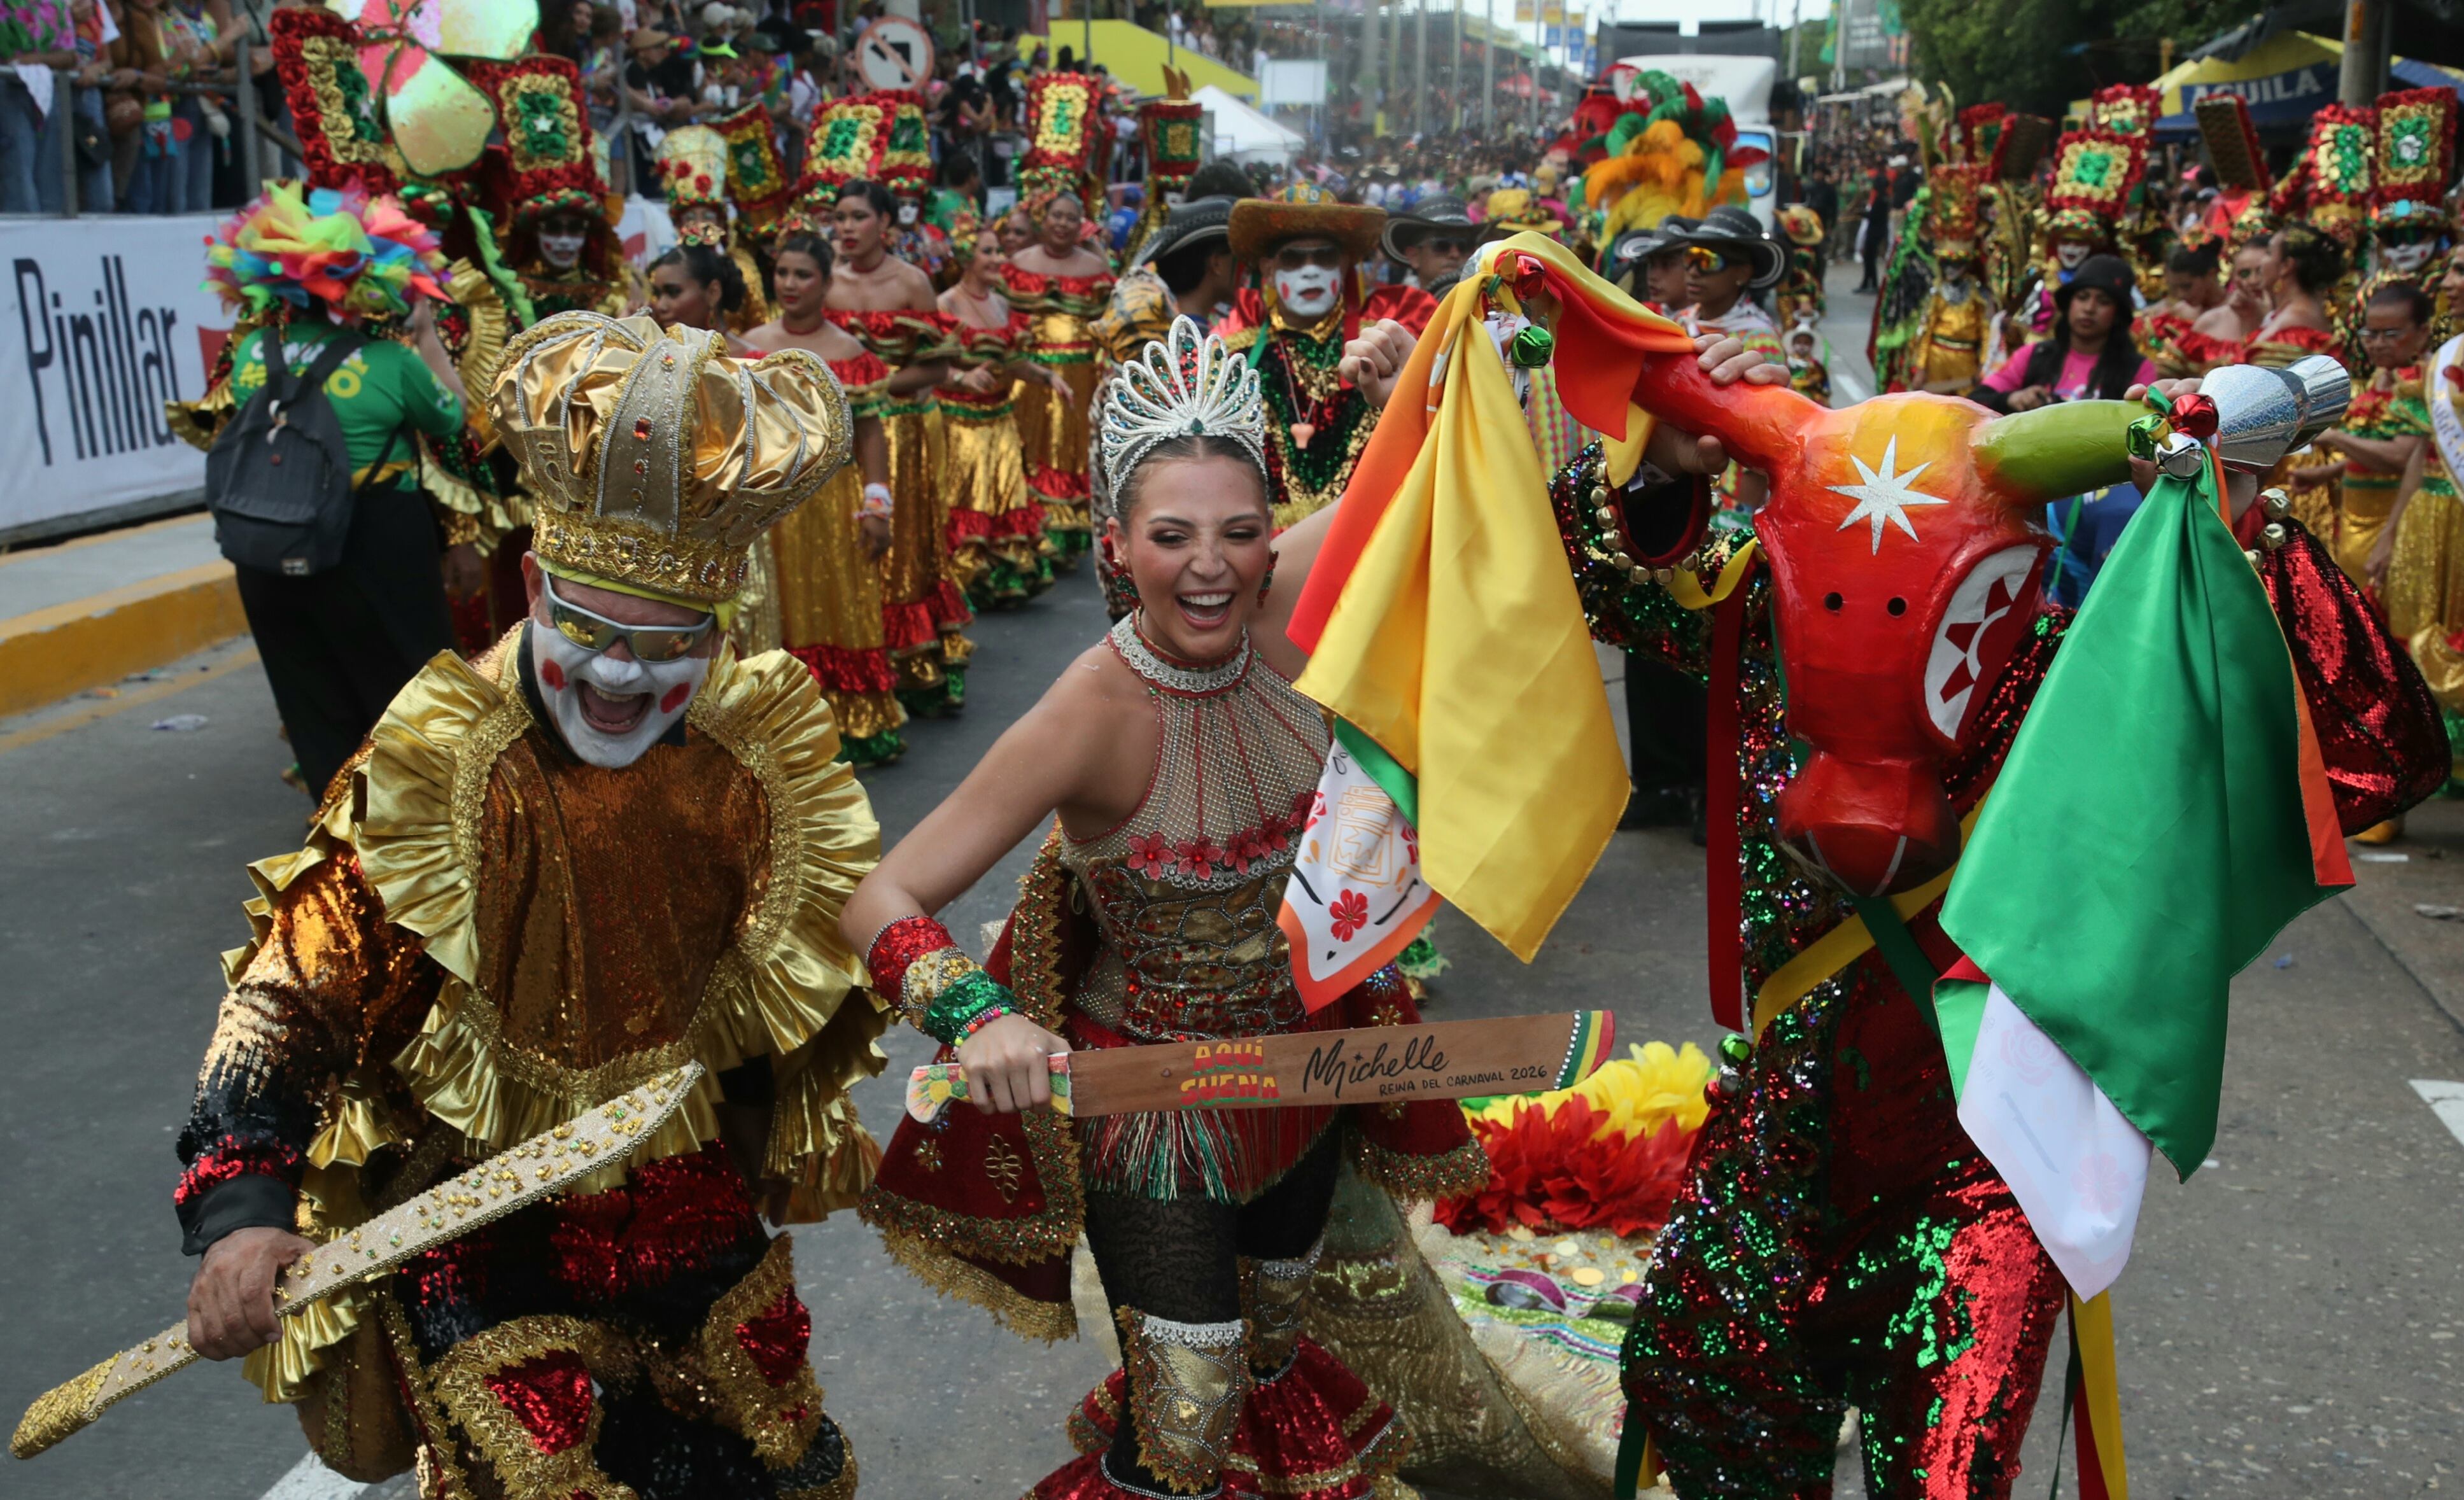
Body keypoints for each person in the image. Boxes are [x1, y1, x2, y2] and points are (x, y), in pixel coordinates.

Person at [848, 316, 1778, 1499]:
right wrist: (978, 1015)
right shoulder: (1086, 712)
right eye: (1171, 536)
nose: (1211, 567)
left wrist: (1670, 444)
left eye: (1241, 534)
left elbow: (1492, 509)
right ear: (1115, 543)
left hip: (1306, 1077)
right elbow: (884, 889)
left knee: (1279, 1358)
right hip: (1155, 1110)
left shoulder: (1298, 597)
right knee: (1184, 1413)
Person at [173, 307, 878, 1500]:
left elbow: (785, 1005)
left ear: (723, 631)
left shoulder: (752, 762)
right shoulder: (442, 767)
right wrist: (240, 1209)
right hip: (481, 1225)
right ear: (536, 584)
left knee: (769, 1473)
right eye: (589, 630)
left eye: (667, 646)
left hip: (684, 1203)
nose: (618, 678)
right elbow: (286, 996)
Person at [205, 184, 474, 800]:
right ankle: (415, 838)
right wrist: (427, 335)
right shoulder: (389, 361)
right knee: (413, 696)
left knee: (313, 704)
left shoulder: (251, 353)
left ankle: (337, 853)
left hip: (273, 541)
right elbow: (452, 418)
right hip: (375, 537)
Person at [740, 228, 910, 766]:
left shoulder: (850, 353)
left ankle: (848, 722)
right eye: (783, 273)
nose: (790, 284)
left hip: (832, 500)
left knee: (837, 604)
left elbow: (870, 434)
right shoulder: (749, 347)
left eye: (803, 275)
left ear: (826, 282)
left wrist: (877, 504)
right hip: (765, 505)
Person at [827, 178, 971, 716]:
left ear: (885, 224)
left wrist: (874, 384)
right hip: (841, 431)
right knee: (849, 541)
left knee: (906, 543)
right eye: (839, 217)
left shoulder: (913, 283)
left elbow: (937, 366)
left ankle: (914, 662)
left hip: (903, 429)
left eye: (858, 217)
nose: (846, 227)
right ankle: (858, 657)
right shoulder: (823, 283)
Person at [1220, 183, 1432, 531]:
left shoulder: (1382, 344)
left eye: (1324, 257)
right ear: (1269, 268)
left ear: (1345, 265)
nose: (1310, 270)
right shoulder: (1234, 356)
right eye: (1294, 258)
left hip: (1369, 535)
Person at [938, 214, 1069, 607]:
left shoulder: (1000, 304)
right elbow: (928, 365)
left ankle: (999, 580)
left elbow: (1013, 364)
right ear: (966, 257)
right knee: (971, 503)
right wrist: (961, 378)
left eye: (998, 251)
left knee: (1005, 500)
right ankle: (965, 577)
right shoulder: (945, 304)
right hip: (960, 424)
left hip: (1000, 420)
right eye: (988, 252)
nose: (997, 259)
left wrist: (1048, 377)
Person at [1003, 186, 1117, 562]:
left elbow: (1111, 319)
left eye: (1072, 218)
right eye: (1057, 216)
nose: (1063, 225)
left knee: (1070, 447)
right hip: (1027, 375)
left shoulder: (1094, 268)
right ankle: (1027, 531)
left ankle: (1067, 535)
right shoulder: (1019, 262)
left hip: (1080, 374)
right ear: (1043, 219)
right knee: (1026, 446)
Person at [1969, 254, 2157, 413]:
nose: (2089, 309)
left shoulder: (2138, 369)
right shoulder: (2034, 355)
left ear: (2118, 315)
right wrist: (2013, 399)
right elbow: (1977, 401)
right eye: (2082, 298)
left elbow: (2143, 424)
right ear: (2069, 306)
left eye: (2103, 301)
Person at [1381, 192, 1477, 297]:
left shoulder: (1489, 307)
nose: (1455, 254)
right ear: (1414, 256)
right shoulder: (1395, 311)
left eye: (1464, 246)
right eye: (1442, 245)